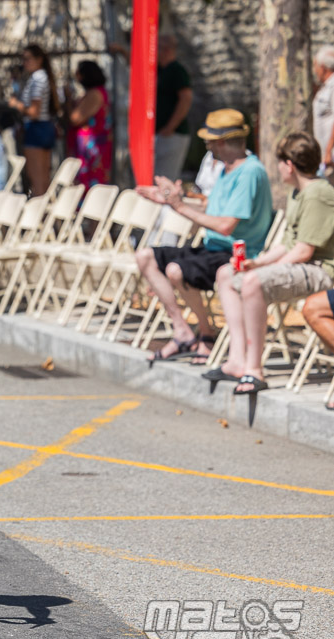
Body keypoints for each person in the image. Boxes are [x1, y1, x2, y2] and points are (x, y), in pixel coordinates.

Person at [136, 109, 273, 365]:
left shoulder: (249, 172)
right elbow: (212, 210)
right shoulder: (227, 169)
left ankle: (206, 335)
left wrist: (179, 206)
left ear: (221, 142)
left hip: (235, 253)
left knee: (177, 270)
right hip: (212, 249)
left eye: (209, 139)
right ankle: (183, 332)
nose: (207, 144)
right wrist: (167, 201)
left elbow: (225, 226)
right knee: (145, 257)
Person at [205, 132, 334, 394]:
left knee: (252, 283)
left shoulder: (319, 193)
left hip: (322, 272)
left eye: (279, 162)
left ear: (289, 165)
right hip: (301, 265)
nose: (277, 168)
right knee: (226, 274)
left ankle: (254, 370)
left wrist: (265, 271)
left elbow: (303, 251)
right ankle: (237, 359)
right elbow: (286, 246)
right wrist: (257, 262)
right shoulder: (298, 193)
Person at [8, 44, 58, 196]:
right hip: (44, 128)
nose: (25, 63)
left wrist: (16, 104)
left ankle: (40, 217)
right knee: (44, 178)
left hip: (36, 129)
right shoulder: (42, 77)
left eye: (27, 59)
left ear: (39, 59)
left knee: (36, 179)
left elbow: (34, 112)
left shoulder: (37, 79)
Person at [66, 60, 112, 188]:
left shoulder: (95, 94)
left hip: (91, 150)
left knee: (88, 183)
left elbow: (75, 118)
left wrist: (69, 101)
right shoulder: (98, 92)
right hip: (94, 147)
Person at [154, 34, 193, 181]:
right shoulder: (159, 69)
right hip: (161, 134)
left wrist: (170, 126)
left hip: (172, 134)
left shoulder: (177, 70)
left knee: (165, 180)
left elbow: (186, 99)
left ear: (166, 50)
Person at [312, 45, 334, 176]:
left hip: (330, 158)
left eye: (315, 66)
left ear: (323, 67)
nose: (314, 71)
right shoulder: (326, 87)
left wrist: (328, 151)